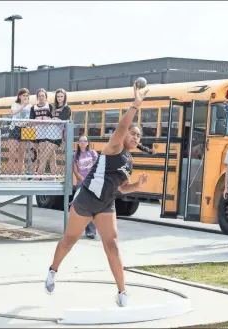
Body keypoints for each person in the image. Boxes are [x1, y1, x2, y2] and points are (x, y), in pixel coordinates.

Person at [44, 83, 151, 307]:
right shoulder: (114, 147)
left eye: (138, 135)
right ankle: (53, 270)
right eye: (132, 133)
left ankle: (122, 293)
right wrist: (135, 105)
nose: (135, 137)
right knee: (69, 240)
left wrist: (136, 185)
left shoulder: (129, 161)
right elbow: (122, 127)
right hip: (86, 199)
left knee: (112, 245)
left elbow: (122, 188)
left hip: (106, 205)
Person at [73, 134, 99, 239]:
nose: (82, 143)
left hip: (92, 183)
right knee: (80, 208)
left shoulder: (93, 153)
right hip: (81, 184)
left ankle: (91, 231)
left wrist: (91, 180)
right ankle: (77, 230)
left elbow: (97, 167)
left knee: (91, 208)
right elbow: (75, 171)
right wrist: (83, 180)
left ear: (88, 143)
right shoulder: (75, 155)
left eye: (84, 141)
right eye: (80, 141)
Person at [6, 88, 32, 175]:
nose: (25, 97)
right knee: (12, 154)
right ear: (19, 96)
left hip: (26, 129)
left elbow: (32, 118)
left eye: (26, 96)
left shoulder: (31, 106)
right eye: (23, 95)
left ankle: (20, 175)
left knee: (22, 154)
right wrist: (23, 105)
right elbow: (13, 112)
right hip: (15, 128)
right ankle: (9, 175)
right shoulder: (15, 104)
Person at [47, 88, 72, 177]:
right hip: (49, 134)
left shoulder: (66, 108)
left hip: (58, 135)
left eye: (61, 96)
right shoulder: (53, 107)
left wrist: (54, 119)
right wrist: (54, 119)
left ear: (64, 97)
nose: (59, 98)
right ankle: (54, 175)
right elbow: (50, 119)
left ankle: (38, 176)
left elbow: (63, 120)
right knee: (51, 156)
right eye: (58, 96)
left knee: (45, 155)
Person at [29, 89, 54, 177]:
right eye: (39, 96)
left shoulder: (50, 106)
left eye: (43, 96)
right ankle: (32, 174)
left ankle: (40, 175)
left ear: (46, 97)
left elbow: (53, 120)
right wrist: (43, 121)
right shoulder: (33, 108)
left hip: (46, 133)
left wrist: (40, 121)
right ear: (37, 97)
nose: (41, 97)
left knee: (43, 154)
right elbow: (31, 121)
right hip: (35, 133)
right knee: (34, 154)